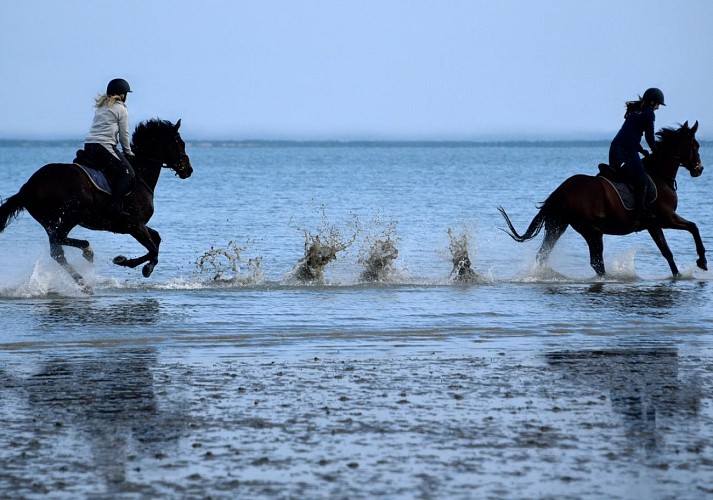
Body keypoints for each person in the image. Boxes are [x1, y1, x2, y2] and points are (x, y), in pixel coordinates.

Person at [608, 87, 665, 223]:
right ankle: (639, 214)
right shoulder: (649, 113)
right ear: (652, 102)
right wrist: (655, 151)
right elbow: (650, 137)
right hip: (626, 149)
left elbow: (629, 134)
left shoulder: (635, 111)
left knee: (617, 177)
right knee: (642, 180)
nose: (658, 108)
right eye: (658, 104)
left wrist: (642, 150)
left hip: (615, 148)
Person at [84, 78, 136, 219]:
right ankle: (115, 207)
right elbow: (124, 134)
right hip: (104, 146)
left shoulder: (102, 106)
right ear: (123, 94)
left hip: (89, 145)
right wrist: (128, 151)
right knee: (128, 175)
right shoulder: (121, 109)